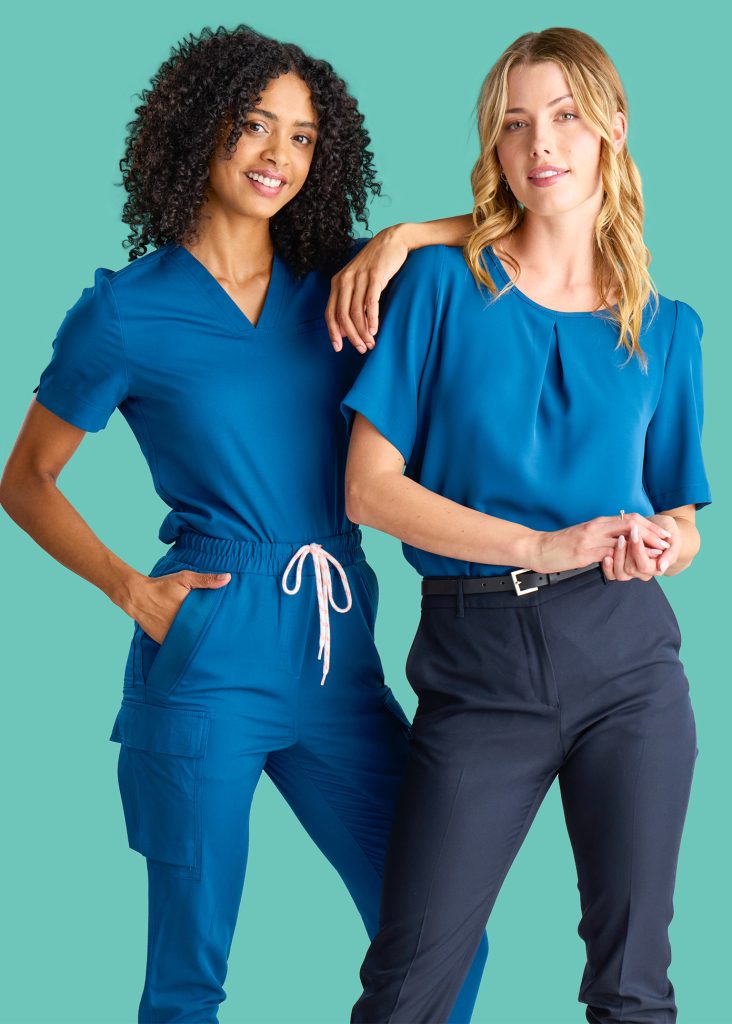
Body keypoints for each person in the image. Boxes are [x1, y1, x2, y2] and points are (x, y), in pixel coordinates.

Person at [0, 24, 487, 1024]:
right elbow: (28, 479)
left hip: (336, 653)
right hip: (210, 642)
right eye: (254, 124)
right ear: (198, 129)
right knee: (189, 979)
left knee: (446, 936)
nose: (277, 155)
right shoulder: (127, 312)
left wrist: (399, 238)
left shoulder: (347, 282)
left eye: (303, 137)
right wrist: (131, 588)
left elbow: (519, 227)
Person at [342, 26, 710, 1024]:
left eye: (563, 117)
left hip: (629, 662)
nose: (539, 142)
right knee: (410, 986)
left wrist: (669, 541)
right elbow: (369, 490)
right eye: (514, 124)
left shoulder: (669, 326)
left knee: (635, 990)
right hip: (477, 662)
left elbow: (684, 510)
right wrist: (538, 546)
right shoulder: (436, 288)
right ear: (495, 149)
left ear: (612, 130)